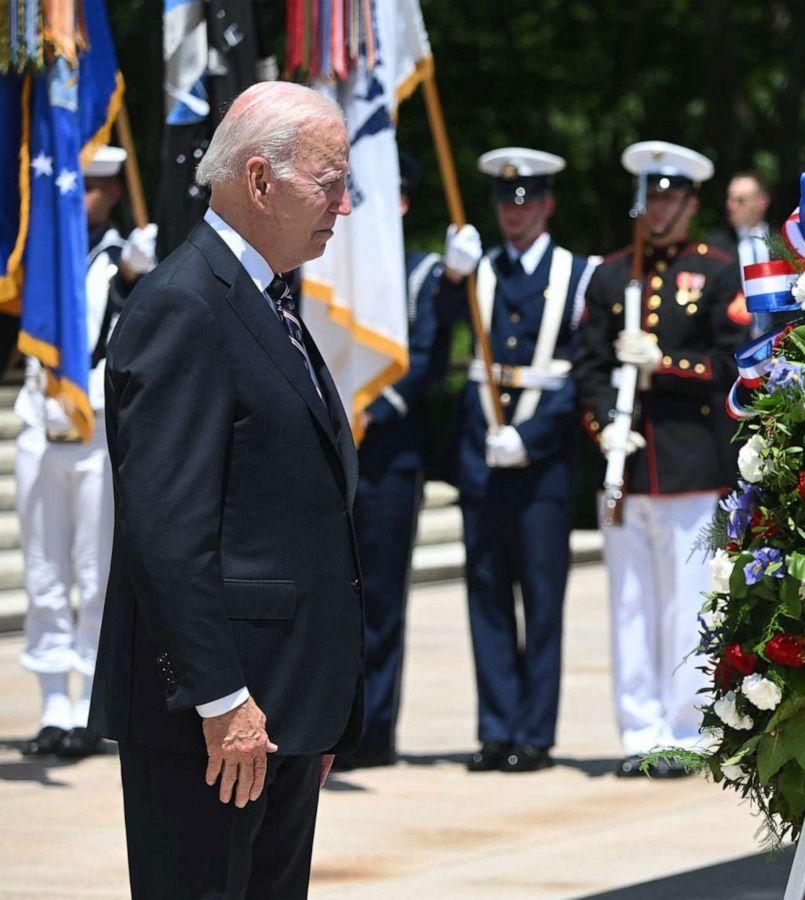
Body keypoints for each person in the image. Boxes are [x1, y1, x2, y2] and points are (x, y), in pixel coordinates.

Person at [88, 81, 360, 898]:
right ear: (260, 179)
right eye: (329, 182)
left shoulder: (263, 297)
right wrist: (223, 698)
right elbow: (166, 529)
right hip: (215, 718)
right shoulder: (184, 303)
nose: (343, 207)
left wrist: (312, 701)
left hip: (280, 710)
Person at [575, 141, 744, 777]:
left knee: (689, 603)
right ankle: (638, 729)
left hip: (689, 466)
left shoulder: (717, 269)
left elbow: (731, 367)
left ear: (691, 203)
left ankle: (687, 729)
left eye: (671, 197)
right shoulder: (612, 274)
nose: (659, 209)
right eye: (651, 197)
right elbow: (588, 369)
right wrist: (605, 431)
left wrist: (664, 365)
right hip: (629, 468)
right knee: (630, 604)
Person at [438, 147, 596, 773]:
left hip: (543, 464)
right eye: (505, 201)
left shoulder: (574, 273)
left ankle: (534, 735)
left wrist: (532, 437)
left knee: (542, 598)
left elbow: (581, 373)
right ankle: (496, 729)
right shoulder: (479, 270)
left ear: (547, 205)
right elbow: (432, 333)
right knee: (487, 598)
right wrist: (451, 278)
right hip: (482, 458)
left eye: (525, 201)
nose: (514, 213)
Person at [16, 146, 156, 759]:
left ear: (115, 194)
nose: (86, 196)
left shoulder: (124, 256)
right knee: (45, 571)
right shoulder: (36, 249)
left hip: (97, 428)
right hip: (40, 421)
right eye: (82, 183)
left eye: (98, 187)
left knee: (95, 572)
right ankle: (53, 702)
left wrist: (139, 279)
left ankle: (90, 706)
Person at [338, 151, 452, 771]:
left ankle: (374, 730)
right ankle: (334, 721)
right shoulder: (335, 267)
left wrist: (368, 409)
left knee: (380, 600)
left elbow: (430, 358)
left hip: (388, 453)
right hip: (334, 448)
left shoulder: (420, 271)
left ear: (403, 201)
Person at [707, 170, 773, 272]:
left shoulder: (786, 242)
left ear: (761, 202)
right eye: (730, 198)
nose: (730, 205)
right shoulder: (713, 246)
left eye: (740, 200)